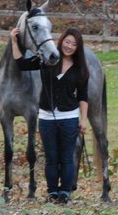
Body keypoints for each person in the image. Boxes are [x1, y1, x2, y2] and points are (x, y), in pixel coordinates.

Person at [11, 25, 89, 204]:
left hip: (69, 117)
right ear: (61, 41)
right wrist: (14, 42)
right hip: (47, 117)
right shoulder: (48, 60)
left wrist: (83, 120)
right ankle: (52, 192)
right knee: (51, 158)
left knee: (67, 158)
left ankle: (65, 192)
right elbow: (22, 64)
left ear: (78, 47)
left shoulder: (80, 69)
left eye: (74, 44)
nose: (69, 46)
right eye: (67, 42)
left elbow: (83, 96)